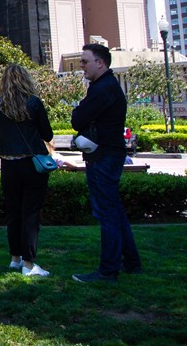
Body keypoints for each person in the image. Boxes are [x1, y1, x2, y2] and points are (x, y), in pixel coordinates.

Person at [71, 43, 142, 283]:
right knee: (115, 211)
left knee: (107, 214)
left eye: (85, 61)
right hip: (109, 154)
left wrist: (78, 111)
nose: (81, 66)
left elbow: (78, 119)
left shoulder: (102, 89)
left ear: (100, 63)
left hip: (103, 156)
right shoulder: (107, 86)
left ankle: (108, 270)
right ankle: (131, 262)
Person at [0, 64, 54, 278]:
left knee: (13, 213)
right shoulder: (33, 103)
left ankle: (15, 259)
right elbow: (47, 134)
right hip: (32, 164)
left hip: (8, 164)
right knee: (30, 214)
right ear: (26, 80)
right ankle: (29, 264)